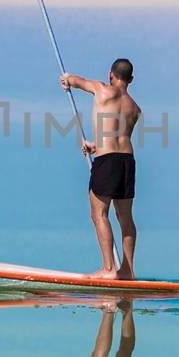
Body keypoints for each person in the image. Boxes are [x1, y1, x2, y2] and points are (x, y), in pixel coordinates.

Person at [60, 58, 140, 280]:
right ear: (131, 79)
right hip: (127, 161)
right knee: (126, 218)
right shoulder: (135, 108)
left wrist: (68, 79)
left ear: (110, 74)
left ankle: (108, 269)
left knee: (98, 213)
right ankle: (127, 270)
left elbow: (79, 81)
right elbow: (119, 136)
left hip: (108, 162)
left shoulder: (102, 89)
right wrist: (95, 145)